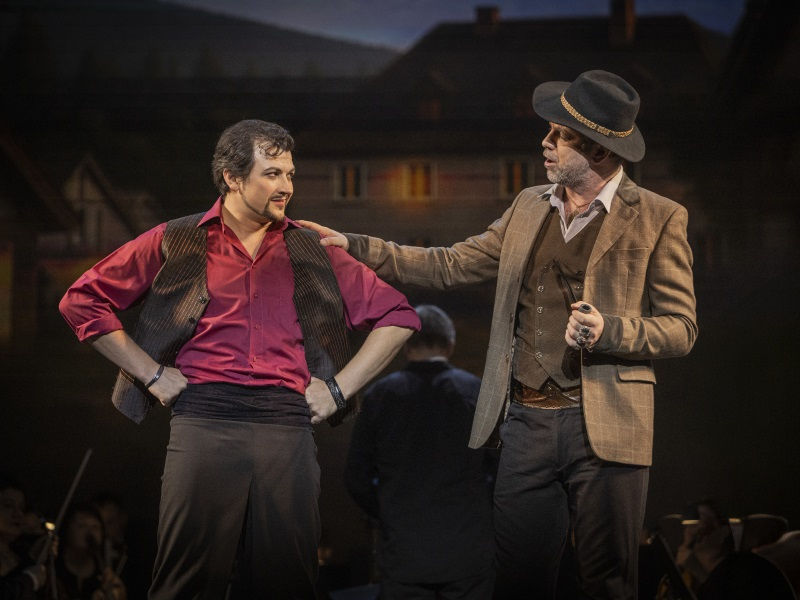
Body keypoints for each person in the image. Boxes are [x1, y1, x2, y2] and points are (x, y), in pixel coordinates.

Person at [300, 70, 698, 599]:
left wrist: (610, 330)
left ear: (599, 150)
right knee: (517, 581)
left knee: (607, 582)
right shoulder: (530, 205)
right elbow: (451, 263)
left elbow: (681, 328)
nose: (545, 142)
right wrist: (357, 245)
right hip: (526, 423)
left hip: (606, 423)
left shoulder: (658, 217)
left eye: (560, 136)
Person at [59, 119, 420, 599]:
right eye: (272, 174)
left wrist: (338, 389)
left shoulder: (311, 249)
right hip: (204, 422)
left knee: (288, 585)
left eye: (290, 174)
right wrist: (150, 374)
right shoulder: (178, 239)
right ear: (232, 177)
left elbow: (398, 315)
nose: (286, 186)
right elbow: (81, 301)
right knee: (185, 586)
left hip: (286, 426)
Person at [344, 305, 495, 600]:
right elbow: (500, 468)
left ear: (405, 346)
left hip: (403, 551)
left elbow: (356, 477)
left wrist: (387, 510)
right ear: (450, 346)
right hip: (468, 549)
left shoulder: (379, 396)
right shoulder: (477, 392)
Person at [54, 503, 126, 600]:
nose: (90, 532)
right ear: (67, 529)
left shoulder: (104, 573)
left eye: (95, 527)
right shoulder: (53, 566)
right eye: (82, 526)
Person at [0, 473, 52, 600]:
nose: (17, 514)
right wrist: (30, 579)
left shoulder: (20, 553)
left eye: (21, 508)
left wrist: (33, 557)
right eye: (8, 506)